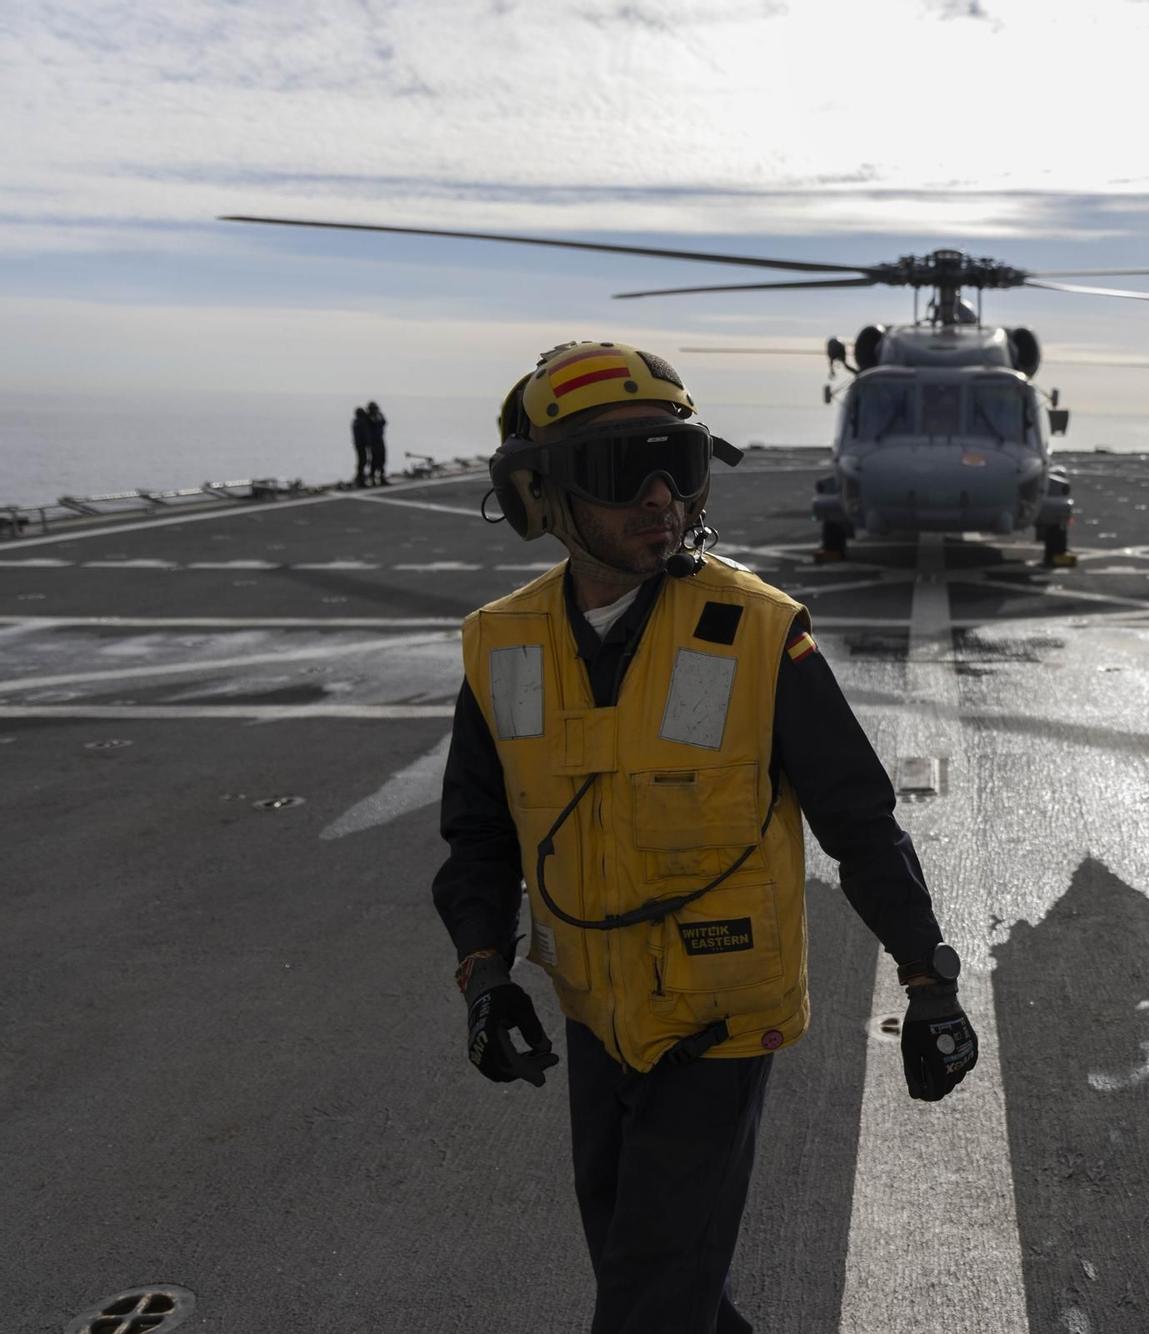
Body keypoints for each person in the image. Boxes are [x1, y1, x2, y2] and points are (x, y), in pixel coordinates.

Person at [431, 340, 977, 1334]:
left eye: (675, 465)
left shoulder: (759, 633)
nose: (658, 499)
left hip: (720, 1017)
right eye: (616, 469)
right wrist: (482, 971)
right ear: (539, 497)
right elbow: (475, 832)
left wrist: (927, 976)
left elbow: (859, 820)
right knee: (646, 1272)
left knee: (645, 1297)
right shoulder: (501, 644)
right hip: (597, 1014)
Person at [365, 400, 389, 486]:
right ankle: (372, 478)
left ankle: (381, 477)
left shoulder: (379, 416)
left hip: (380, 440)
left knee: (382, 459)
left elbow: (384, 422)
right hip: (373, 441)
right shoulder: (368, 418)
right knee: (374, 460)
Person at [350, 406, 372, 486]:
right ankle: (360, 479)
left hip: (359, 444)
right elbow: (365, 434)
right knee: (362, 461)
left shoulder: (356, 422)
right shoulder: (361, 422)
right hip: (362, 445)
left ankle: (360, 478)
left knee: (362, 461)